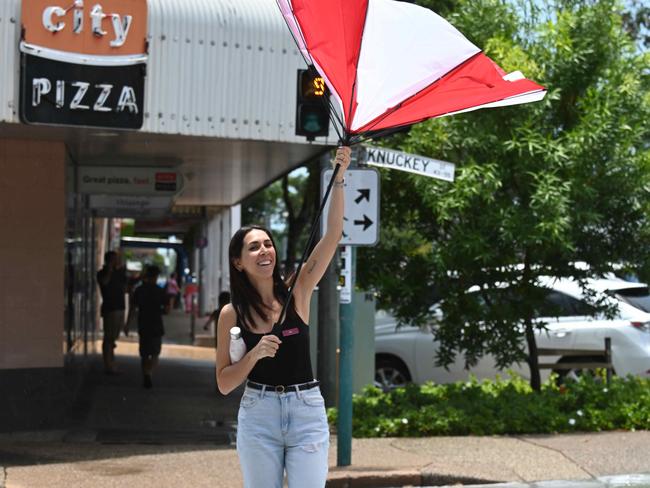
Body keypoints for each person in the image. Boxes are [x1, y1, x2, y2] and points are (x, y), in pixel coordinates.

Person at [215, 146, 351, 488]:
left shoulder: (298, 289)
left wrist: (340, 177)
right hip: (258, 413)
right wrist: (254, 354)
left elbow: (333, 234)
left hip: (306, 410)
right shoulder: (231, 314)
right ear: (238, 262)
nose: (265, 251)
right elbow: (224, 383)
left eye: (268, 244)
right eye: (254, 247)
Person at [127, 264, 166, 389]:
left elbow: (133, 309)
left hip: (143, 323)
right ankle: (149, 373)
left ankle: (145, 373)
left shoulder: (140, 290)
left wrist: (127, 324)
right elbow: (167, 308)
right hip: (156, 324)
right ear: (156, 276)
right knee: (155, 353)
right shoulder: (159, 290)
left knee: (144, 353)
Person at [97, 250, 127, 375]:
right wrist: (109, 271)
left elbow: (126, 285)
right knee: (108, 337)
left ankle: (111, 359)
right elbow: (104, 282)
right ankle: (108, 364)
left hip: (120, 307)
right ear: (109, 260)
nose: (118, 261)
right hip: (110, 308)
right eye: (115, 259)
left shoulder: (120, 273)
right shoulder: (102, 273)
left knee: (114, 336)